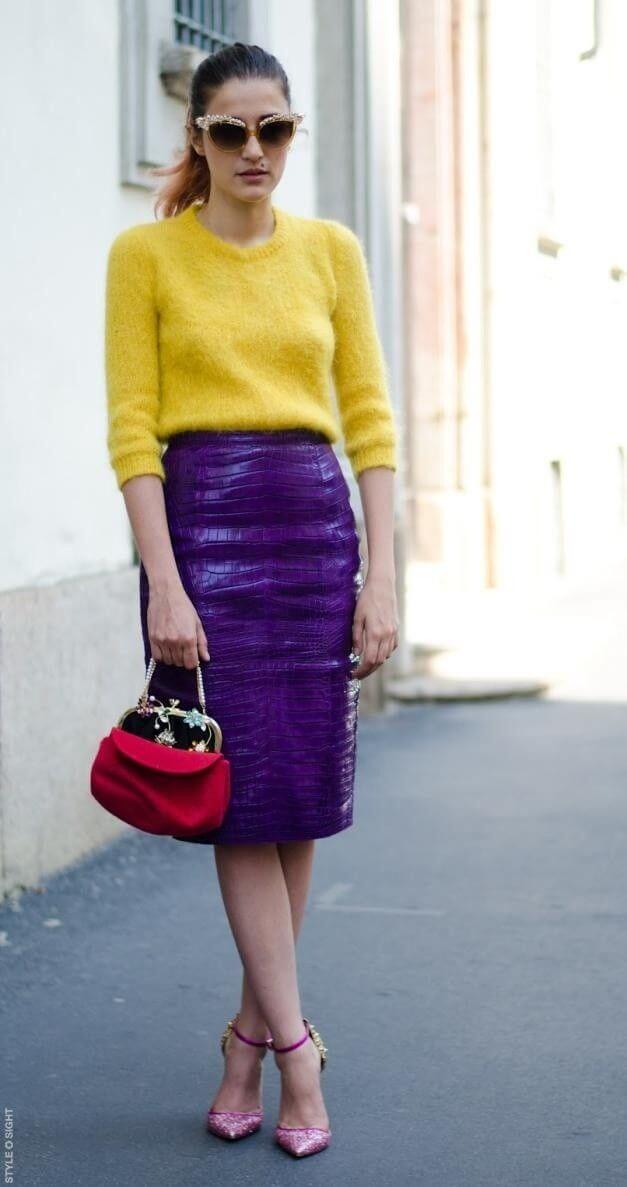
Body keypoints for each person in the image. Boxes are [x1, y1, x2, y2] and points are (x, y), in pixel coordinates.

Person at [104, 41, 399, 1159]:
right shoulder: (146, 256)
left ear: (292, 133)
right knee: (239, 796)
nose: (253, 151)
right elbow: (132, 432)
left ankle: (244, 1034)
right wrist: (165, 585)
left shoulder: (331, 252)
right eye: (230, 130)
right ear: (196, 136)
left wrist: (384, 573)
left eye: (274, 129)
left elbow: (370, 422)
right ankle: (297, 1053)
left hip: (316, 532)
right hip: (206, 532)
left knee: (299, 794)